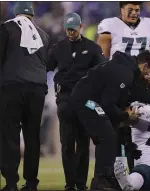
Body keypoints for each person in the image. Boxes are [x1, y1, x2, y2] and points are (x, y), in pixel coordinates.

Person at [69, 50, 150, 190]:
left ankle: (108, 175)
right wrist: (125, 116)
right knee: (107, 135)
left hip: (88, 98)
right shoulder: (125, 73)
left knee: (111, 134)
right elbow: (108, 103)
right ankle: (101, 179)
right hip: (86, 101)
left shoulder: (127, 69)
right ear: (145, 65)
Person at [47, 12, 105, 190]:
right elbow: (44, 67)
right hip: (64, 98)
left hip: (85, 99)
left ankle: (80, 183)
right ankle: (69, 183)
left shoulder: (93, 48)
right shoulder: (58, 48)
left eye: (73, 29)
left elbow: (101, 72)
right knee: (67, 143)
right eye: (68, 29)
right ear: (65, 29)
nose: (71, 33)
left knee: (83, 142)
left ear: (81, 27)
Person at [0, 2, 50, 191]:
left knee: (10, 135)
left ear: (16, 13)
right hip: (37, 89)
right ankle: (31, 183)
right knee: (32, 136)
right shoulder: (43, 36)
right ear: (32, 16)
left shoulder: (7, 28)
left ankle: (11, 183)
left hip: (12, 87)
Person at [97, 1, 150, 86]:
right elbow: (102, 57)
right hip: (119, 76)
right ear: (122, 10)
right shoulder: (110, 25)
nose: (134, 13)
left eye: (137, 10)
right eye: (130, 10)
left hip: (144, 77)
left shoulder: (149, 24)